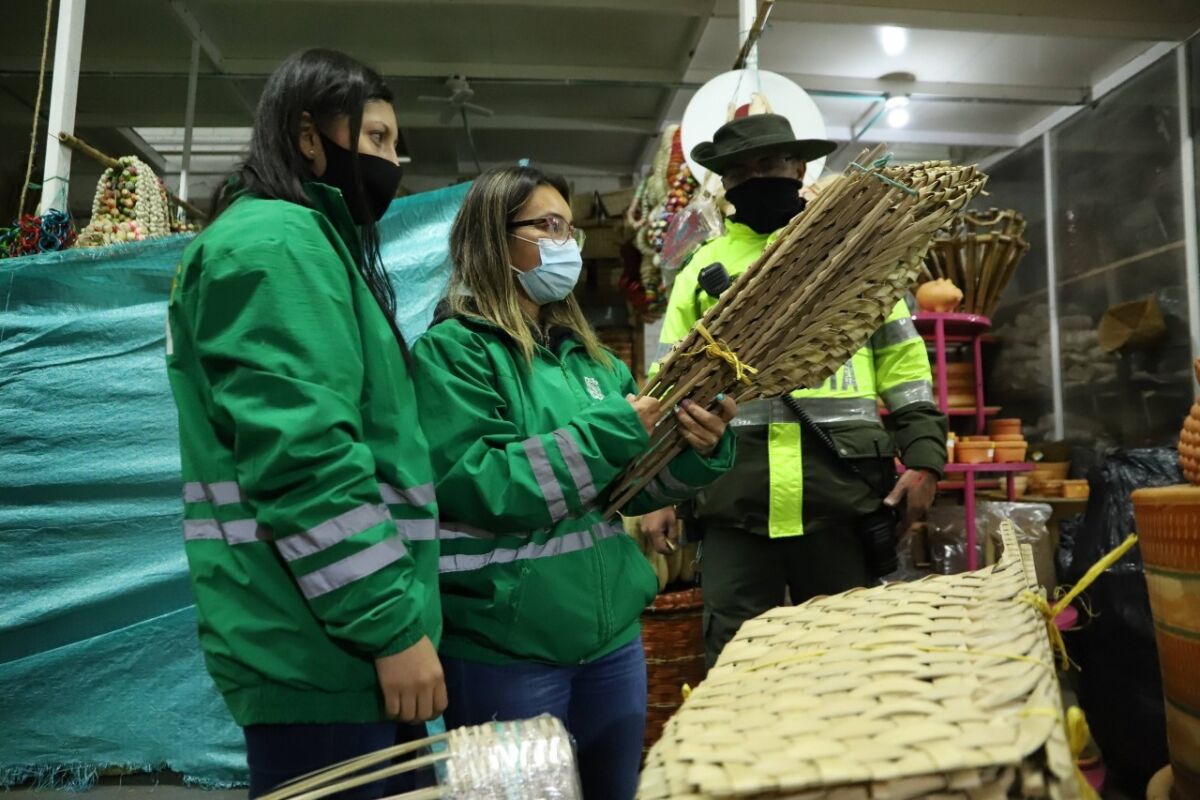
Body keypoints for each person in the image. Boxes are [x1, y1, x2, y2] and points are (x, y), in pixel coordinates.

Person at [165, 49, 444, 798]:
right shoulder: (275, 246)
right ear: (309, 135)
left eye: (395, 143)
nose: (391, 160)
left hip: (332, 642)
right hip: (328, 649)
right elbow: (304, 460)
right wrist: (390, 626)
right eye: (376, 138)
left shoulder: (303, 243)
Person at [410, 165, 737, 800]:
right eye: (547, 227)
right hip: (507, 648)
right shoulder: (455, 353)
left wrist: (696, 451)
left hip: (612, 639)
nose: (566, 245)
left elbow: (626, 489)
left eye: (571, 231)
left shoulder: (595, 361)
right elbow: (481, 482)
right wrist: (614, 431)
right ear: (493, 240)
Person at [645, 113, 948, 669]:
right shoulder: (699, 272)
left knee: (847, 666)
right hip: (736, 508)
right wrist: (661, 491)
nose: (756, 177)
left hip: (840, 499)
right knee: (736, 669)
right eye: (739, 170)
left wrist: (925, 460)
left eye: (770, 163)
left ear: (799, 167)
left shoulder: (856, 260)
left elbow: (906, 367)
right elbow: (666, 394)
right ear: (725, 184)